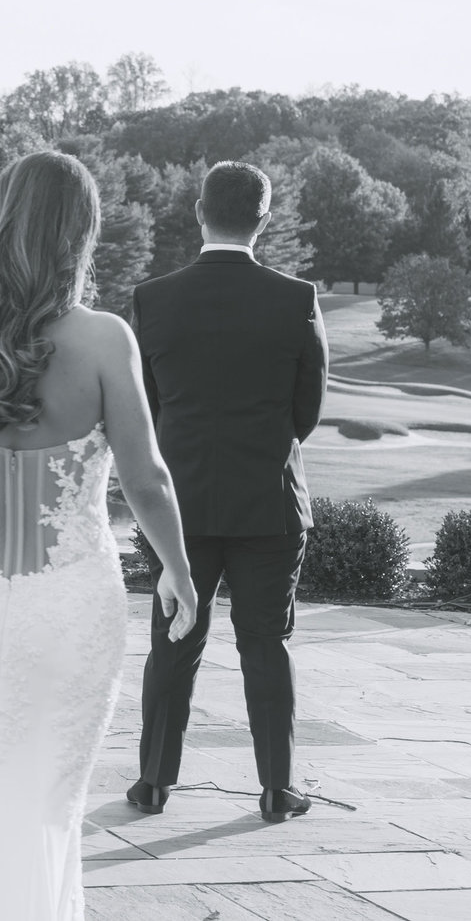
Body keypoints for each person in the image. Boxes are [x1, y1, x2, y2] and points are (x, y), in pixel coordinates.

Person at [0, 150, 199, 920]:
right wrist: (181, 573)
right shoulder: (104, 340)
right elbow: (148, 480)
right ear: (80, 235)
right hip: (68, 597)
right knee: (43, 794)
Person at [126, 160, 327, 823]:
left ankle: (153, 781)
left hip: (178, 507)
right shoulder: (296, 299)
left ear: (197, 211)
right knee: (266, 643)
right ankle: (276, 788)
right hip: (268, 501)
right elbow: (308, 412)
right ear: (264, 218)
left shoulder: (153, 298)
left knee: (173, 639)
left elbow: (151, 411)